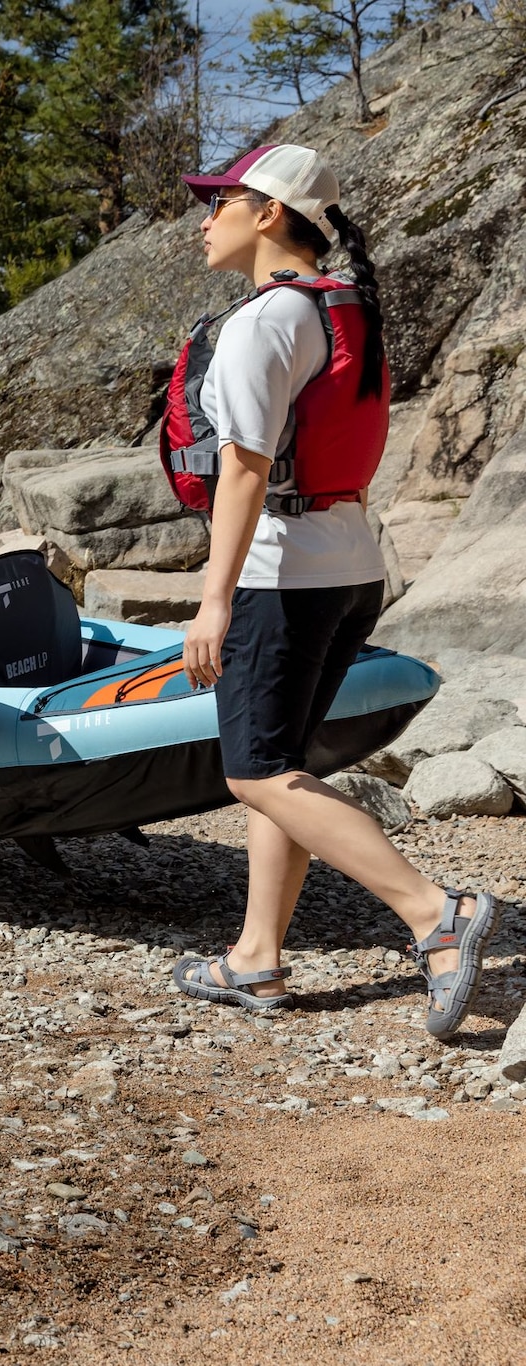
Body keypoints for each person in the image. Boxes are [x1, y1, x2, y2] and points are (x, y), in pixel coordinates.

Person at [170, 144, 500, 1036]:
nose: (204, 220)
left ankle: (438, 914)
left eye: (220, 203)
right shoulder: (346, 305)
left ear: (269, 214)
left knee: (255, 774)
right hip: (350, 563)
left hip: (285, 576)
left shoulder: (263, 320)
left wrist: (214, 599)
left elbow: (242, 470)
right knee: (285, 766)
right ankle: (255, 959)